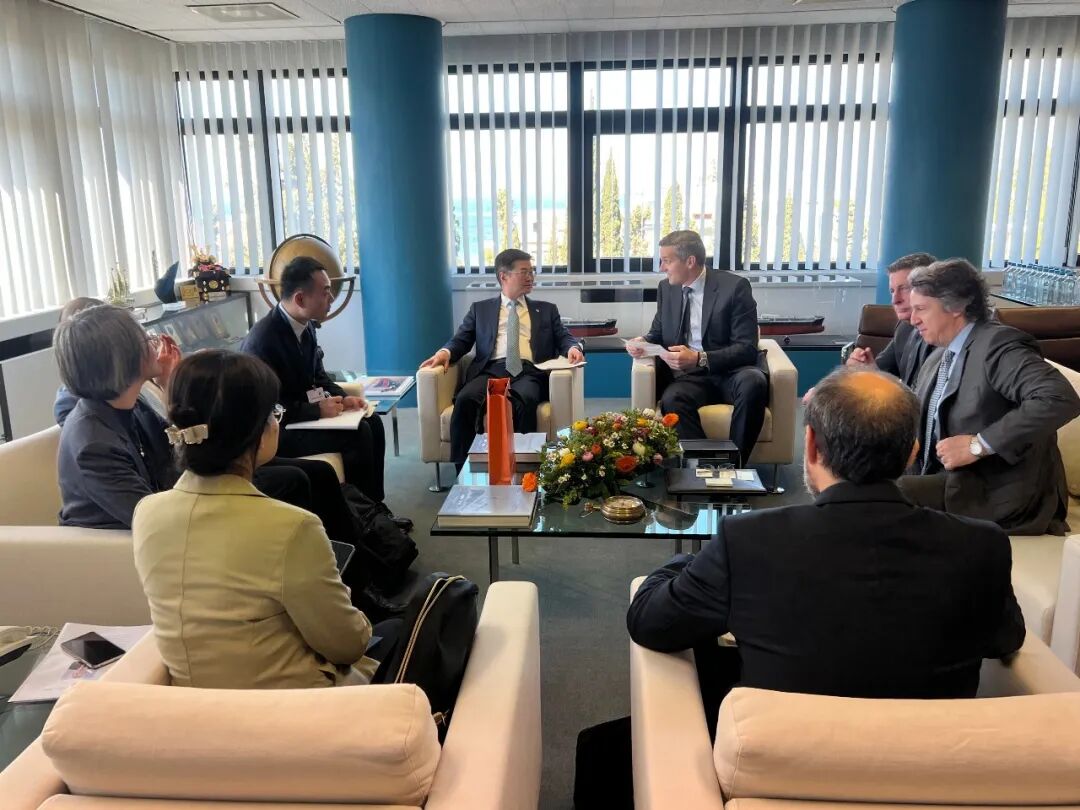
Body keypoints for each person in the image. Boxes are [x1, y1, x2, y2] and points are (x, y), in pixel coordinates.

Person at [628, 368, 1026, 737]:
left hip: (779, 763)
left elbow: (649, 621)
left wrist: (687, 562)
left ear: (812, 445)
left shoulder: (748, 541)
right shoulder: (981, 544)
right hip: (933, 767)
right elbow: (1005, 640)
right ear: (912, 452)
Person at [52, 304, 401, 617]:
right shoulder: (92, 443)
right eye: (142, 339)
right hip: (139, 537)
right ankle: (332, 598)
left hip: (176, 498)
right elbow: (149, 515)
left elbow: (179, 446)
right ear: (123, 358)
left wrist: (170, 383)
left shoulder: (131, 403)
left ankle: (355, 586)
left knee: (318, 474)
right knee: (294, 482)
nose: (152, 342)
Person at [133, 350, 395, 689]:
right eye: (273, 412)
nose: (276, 421)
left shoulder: (147, 514)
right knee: (403, 630)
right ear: (253, 432)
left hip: (195, 704)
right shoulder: (292, 528)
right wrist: (344, 598)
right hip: (293, 705)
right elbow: (348, 645)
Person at [898, 258, 1080, 536]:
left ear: (956, 307)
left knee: (883, 497)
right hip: (946, 479)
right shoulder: (940, 353)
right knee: (859, 480)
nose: (913, 320)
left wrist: (978, 445)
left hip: (995, 491)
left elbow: (1058, 398)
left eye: (921, 309)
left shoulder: (998, 345)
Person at [242, 256, 399, 524]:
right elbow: (268, 407)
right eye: (325, 292)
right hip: (277, 430)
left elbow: (319, 376)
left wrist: (345, 398)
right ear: (300, 298)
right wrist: (316, 411)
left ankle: (375, 507)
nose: (331, 299)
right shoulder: (264, 340)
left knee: (373, 422)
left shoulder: (306, 327)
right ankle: (361, 517)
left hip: (300, 419)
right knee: (358, 435)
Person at [420, 248, 584, 468]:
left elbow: (564, 337)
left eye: (532, 271)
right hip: (491, 369)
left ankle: (522, 469)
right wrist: (444, 353)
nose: (531, 277)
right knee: (466, 400)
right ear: (503, 276)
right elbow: (461, 339)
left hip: (529, 371)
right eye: (524, 272)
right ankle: (464, 469)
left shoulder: (546, 310)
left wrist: (573, 347)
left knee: (523, 401)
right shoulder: (480, 310)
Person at [626, 230, 768, 463]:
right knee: (672, 399)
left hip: (732, 372)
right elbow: (658, 332)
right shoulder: (667, 288)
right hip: (692, 377)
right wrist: (643, 341)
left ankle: (735, 467)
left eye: (667, 261)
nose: (662, 268)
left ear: (690, 261)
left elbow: (746, 348)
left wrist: (699, 358)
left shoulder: (735, 287)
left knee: (754, 382)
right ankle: (705, 466)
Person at [846, 252, 937, 387]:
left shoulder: (944, 335)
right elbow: (880, 373)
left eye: (904, 288)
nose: (895, 300)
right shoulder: (904, 328)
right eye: (892, 291)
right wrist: (864, 369)